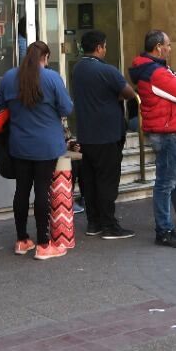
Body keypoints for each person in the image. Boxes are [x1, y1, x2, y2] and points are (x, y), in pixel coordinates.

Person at [0, 40, 74, 260]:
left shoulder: (9, 77)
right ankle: (43, 244)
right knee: (41, 190)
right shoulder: (51, 77)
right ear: (45, 57)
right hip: (47, 145)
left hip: (19, 144)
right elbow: (67, 108)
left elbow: (0, 107)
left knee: (22, 190)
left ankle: (22, 240)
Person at [130, 30, 176, 248]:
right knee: (167, 182)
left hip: (168, 129)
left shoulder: (153, 69)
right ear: (158, 46)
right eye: (168, 45)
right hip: (168, 131)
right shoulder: (157, 72)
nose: (170, 48)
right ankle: (164, 231)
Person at [69, 29, 137, 240]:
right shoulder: (107, 70)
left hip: (86, 134)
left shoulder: (77, 68)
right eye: (105, 46)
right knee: (107, 181)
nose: (105, 49)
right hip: (107, 134)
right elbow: (129, 93)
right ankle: (109, 225)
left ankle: (94, 223)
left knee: (89, 182)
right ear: (99, 47)